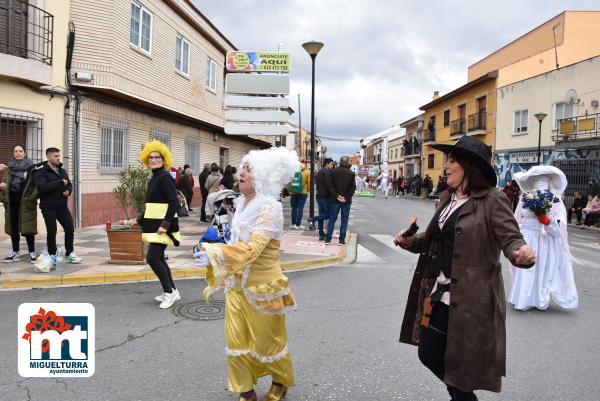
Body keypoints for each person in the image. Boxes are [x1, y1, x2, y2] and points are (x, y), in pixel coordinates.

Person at [395, 136, 535, 400]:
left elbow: (510, 238)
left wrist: (520, 253)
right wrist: (410, 241)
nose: (445, 167)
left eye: (452, 161)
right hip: (439, 293)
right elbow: (434, 237)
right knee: (429, 353)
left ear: (469, 166)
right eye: (447, 160)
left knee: (459, 366)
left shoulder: (493, 200)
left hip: (472, 300)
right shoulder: (447, 199)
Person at [196, 147, 298, 401]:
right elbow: (234, 241)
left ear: (263, 177)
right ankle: (246, 389)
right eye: (242, 167)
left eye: (248, 170)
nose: (241, 173)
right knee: (236, 342)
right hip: (236, 286)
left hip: (263, 288)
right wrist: (214, 251)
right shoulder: (242, 203)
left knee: (268, 342)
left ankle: (280, 381)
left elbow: (253, 249)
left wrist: (216, 253)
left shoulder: (270, 209)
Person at [507, 166, 578, 311]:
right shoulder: (527, 198)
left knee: (536, 267)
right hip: (532, 238)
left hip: (541, 238)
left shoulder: (553, 199)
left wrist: (547, 221)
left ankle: (531, 298)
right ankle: (534, 298)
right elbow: (517, 220)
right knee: (537, 267)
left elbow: (516, 220)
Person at [137, 140, 181, 309]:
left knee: (152, 258)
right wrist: (139, 220)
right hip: (154, 226)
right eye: (150, 157)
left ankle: (168, 293)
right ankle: (173, 291)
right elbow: (152, 205)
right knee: (160, 258)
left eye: (157, 157)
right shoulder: (154, 178)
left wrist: (165, 224)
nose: (153, 160)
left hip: (163, 227)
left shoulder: (164, 177)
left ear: (164, 160)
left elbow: (173, 203)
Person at [36, 147, 82, 265]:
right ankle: (52, 255)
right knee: (52, 231)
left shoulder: (62, 170)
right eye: (55, 156)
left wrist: (68, 191)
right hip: (48, 206)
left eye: (59, 156)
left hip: (61, 206)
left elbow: (69, 184)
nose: (58, 158)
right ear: (48, 157)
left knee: (69, 228)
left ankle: (69, 254)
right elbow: (42, 188)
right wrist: (60, 183)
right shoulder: (42, 172)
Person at [0, 145, 38, 264]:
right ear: (13, 153)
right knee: (13, 228)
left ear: (24, 152)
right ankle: (15, 253)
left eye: (20, 151)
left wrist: (31, 198)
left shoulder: (31, 167)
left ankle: (32, 253)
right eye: (15, 151)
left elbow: (36, 186)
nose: (18, 153)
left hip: (25, 203)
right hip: (12, 203)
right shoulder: (9, 167)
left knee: (28, 229)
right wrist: (3, 189)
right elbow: (5, 184)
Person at [325, 156, 356, 245]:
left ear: (339, 162)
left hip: (334, 199)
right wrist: (345, 197)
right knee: (344, 220)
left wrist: (337, 196)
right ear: (347, 163)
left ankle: (328, 239)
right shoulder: (351, 173)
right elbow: (353, 188)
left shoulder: (333, 172)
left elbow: (329, 186)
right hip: (346, 201)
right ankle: (341, 240)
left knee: (332, 219)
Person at [307, 158, 333, 241]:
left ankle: (321, 235)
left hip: (319, 196)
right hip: (325, 197)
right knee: (328, 214)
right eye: (331, 164)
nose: (332, 166)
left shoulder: (319, 172)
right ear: (327, 164)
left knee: (321, 216)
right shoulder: (326, 172)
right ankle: (313, 218)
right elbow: (328, 185)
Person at [288, 162, 310, 230]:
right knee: (300, 209)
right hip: (302, 192)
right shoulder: (307, 172)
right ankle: (298, 224)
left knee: (294, 209)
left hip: (293, 192)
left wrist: (290, 191)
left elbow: (289, 182)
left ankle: (293, 224)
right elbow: (309, 183)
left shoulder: (292, 171)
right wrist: (307, 190)